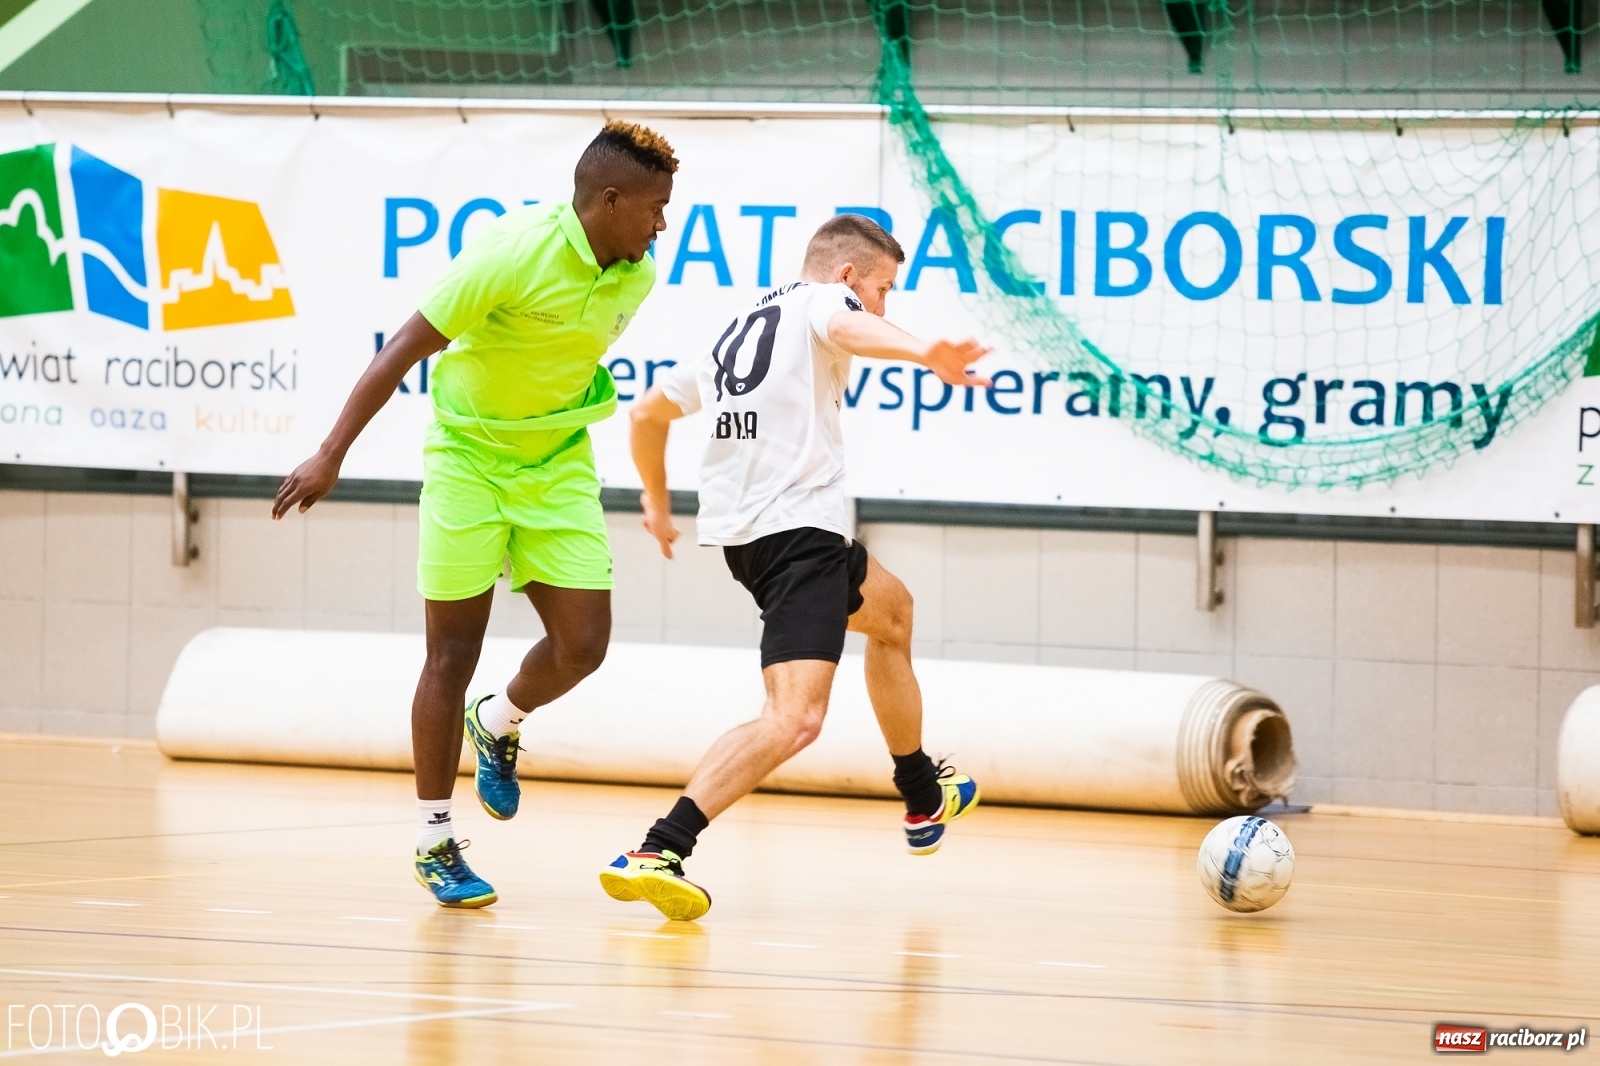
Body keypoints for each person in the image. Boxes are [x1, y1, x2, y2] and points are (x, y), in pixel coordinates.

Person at [271, 121, 678, 908]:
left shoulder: (638, 275)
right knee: (449, 655)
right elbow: (402, 350)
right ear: (609, 200)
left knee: (584, 645)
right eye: (654, 208)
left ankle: (497, 720)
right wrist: (330, 453)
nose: (662, 225)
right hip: (467, 461)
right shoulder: (511, 251)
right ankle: (434, 842)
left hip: (557, 462)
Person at [601, 214, 990, 921]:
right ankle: (659, 848)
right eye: (883, 289)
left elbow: (646, 416)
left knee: (893, 612)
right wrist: (923, 351)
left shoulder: (739, 327)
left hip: (756, 538)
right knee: (795, 720)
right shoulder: (826, 302)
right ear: (847, 275)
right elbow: (848, 326)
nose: (883, 304)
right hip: (797, 536)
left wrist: (656, 503)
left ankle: (920, 790)